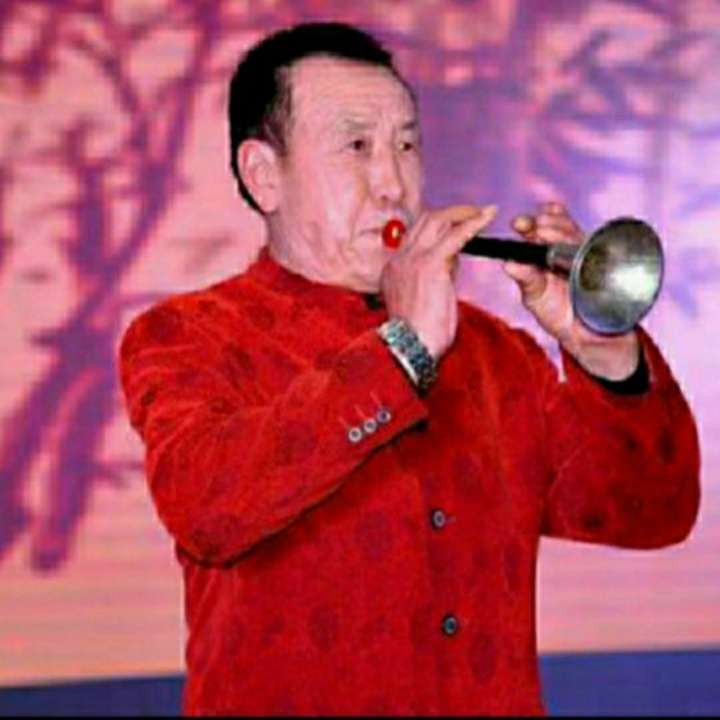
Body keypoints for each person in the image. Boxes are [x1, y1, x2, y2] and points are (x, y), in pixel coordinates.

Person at [118, 22, 700, 716]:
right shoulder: (189, 336)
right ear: (263, 174)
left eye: (406, 145)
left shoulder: (495, 354)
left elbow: (652, 512)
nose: (393, 184)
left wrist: (604, 356)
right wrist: (405, 351)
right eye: (356, 147)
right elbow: (207, 507)